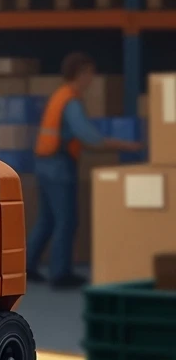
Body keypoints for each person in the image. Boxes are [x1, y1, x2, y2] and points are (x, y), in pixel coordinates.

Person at [27, 51, 142, 289]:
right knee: (66, 220)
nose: (92, 78)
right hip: (58, 165)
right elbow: (89, 136)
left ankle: (27, 267)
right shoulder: (71, 101)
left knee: (47, 220)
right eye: (90, 73)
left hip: (44, 162)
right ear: (81, 74)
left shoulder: (60, 96)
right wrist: (125, 145)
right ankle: (60, 274)